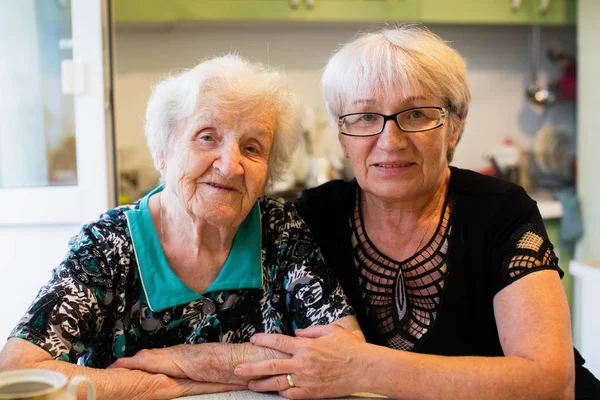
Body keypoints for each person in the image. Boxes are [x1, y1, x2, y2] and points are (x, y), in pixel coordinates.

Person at [233, 26, 600, 399]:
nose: (391, 141)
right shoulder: (310, 218)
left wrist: (361, 368)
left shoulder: (500, 210)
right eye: (365, 117)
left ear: (454, 127)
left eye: (417, 114)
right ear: (342, 136)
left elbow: (551, 383)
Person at [0, 55, 359, 399]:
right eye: (207, 137)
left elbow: (346, 357)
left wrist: (190, 363)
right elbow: (20, 373)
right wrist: (153, 388)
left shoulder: (280, 230)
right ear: (163, 150)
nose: (230, 165)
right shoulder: (107, 245)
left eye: (252, 147)